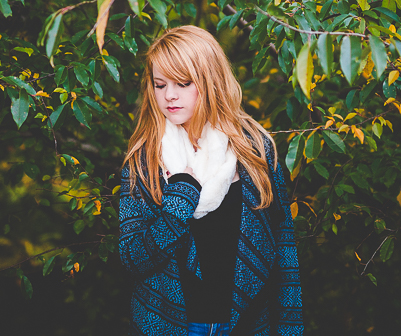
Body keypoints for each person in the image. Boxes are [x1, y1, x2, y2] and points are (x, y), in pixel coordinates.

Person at [119, 26, 304, 336]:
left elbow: (283, 249)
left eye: (183, 83)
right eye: (160, 84)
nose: (169, 95)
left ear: (210, 80)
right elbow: (132, 258)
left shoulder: (254, 149)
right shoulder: (144, 160)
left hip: (247, 324)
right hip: (172, 326)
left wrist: (290, 330)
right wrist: (180, 199)